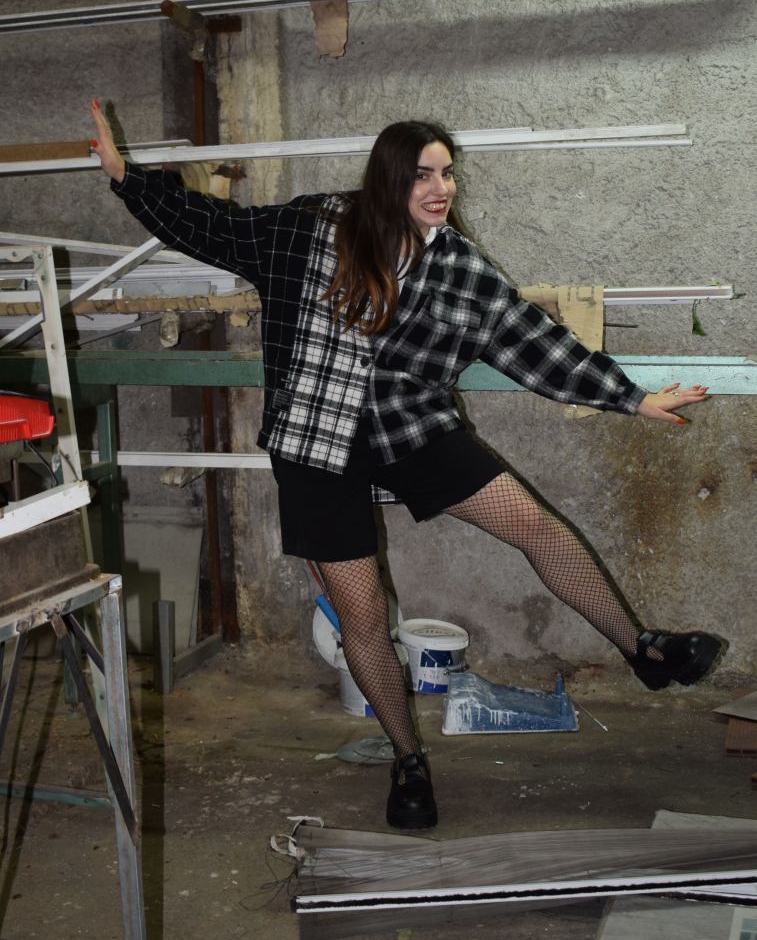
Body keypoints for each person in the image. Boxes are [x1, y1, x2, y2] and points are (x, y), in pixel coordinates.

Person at [90, 99, 725, 831]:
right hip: (314, 438)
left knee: (539, 528)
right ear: (389, 177)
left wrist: (630, 398)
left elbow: (532, 340)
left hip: (411, 426)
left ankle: (643, 649)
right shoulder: (312, 227)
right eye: (423, 174)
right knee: (363, 615)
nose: (440, 188)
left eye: (448, 173)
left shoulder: (457, 265)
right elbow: (211, 226)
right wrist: (127, 177)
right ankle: (407, 758)